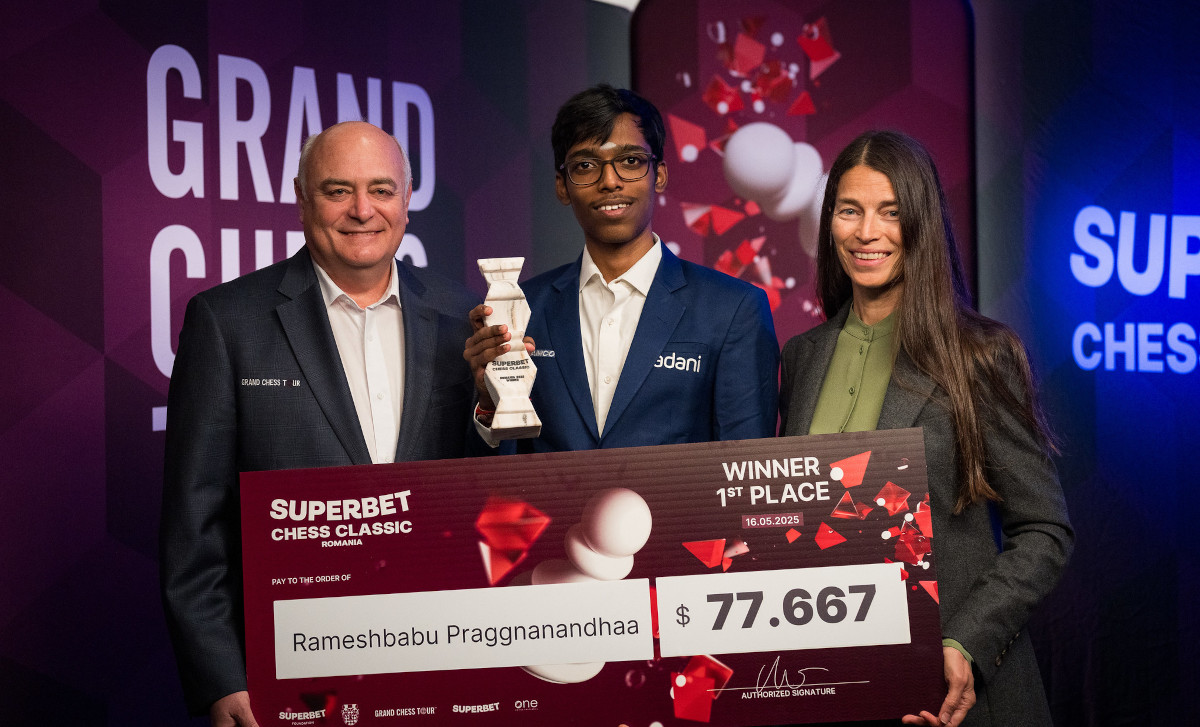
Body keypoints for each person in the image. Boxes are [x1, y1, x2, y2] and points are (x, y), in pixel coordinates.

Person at [160, 121, 480, 726]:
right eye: (338, 191)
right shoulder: (227, 323)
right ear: (302, 200)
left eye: (381, 190)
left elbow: (487, 486)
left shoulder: (463, 315)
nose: (362, 210)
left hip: (438, 656)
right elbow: (194, 525)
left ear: (407, 199)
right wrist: (221, 678)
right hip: (291, 674)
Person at [778, 130, 1073, 726]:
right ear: (829, 222)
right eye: (849, 210)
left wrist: (966, 641)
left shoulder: (980, 356)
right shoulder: (802, 355)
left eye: (891, 213)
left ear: (923, 222)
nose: (867, 232)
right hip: (833, 684)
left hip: (951, 695)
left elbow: (1045, 529)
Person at [464, 84, 779, 451]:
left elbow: (746, 467)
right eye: (586, 166)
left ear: (659, 174)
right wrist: (489, 401)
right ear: (562, 186)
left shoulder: (733, 309)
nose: (610, 181)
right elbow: (496, 473)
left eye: (630, 161)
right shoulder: (522, 308)